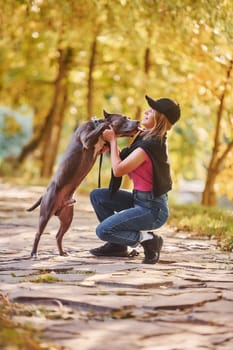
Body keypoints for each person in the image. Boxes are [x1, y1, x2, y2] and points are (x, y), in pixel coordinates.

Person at [89, 95, 181, 264]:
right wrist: (109, 146)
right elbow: (125, 155)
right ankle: (117, 246)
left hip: (152, 209)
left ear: (160, 118)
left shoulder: (151, 145)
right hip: (139, 199)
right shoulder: (145, 138)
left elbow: (118, 170)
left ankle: (148, 240)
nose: (146, 111)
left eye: (152, 110)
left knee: (103, 231)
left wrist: (113, 141)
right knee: (98, 196)